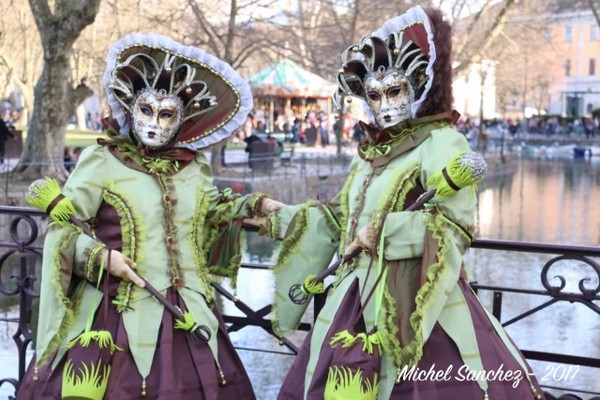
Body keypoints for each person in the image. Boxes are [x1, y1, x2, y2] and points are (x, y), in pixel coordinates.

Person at [258, 6, 545, 399]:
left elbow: (454, 226)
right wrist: (282, 217)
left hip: (415, 303)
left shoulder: (441, 142)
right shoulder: (372, 154)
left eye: (394, 91)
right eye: (374, 95)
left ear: (418, 87)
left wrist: (384, 231)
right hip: (352, 299)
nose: (384, 104)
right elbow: (342, 218)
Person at [17, 33, 275, 400]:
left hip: (192, 311)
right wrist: (104, 257)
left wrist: (252, 210)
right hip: (117, 312)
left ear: (182, 119)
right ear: (130, 108)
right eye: (146, 110)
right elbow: (63, 229)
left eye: (166, 114)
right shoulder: (102, 160)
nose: (154, 122)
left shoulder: (193, 168)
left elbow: (208, 215)